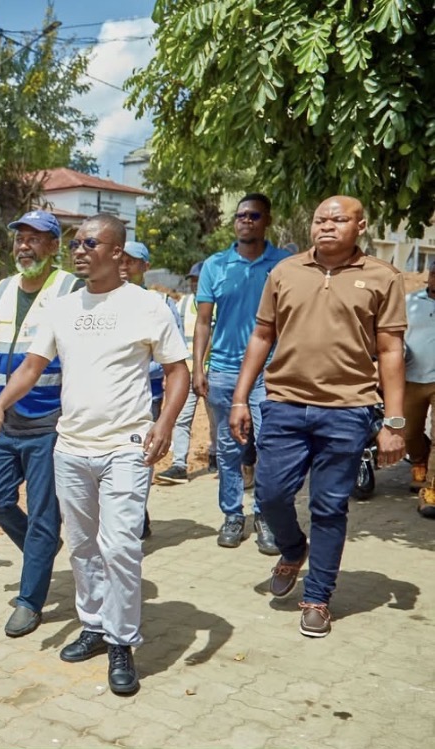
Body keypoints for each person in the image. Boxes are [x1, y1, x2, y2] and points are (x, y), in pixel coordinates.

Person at [0, 213, 189, 696]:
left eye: (90, 243)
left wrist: (165, 424)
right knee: (81, 547)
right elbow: (32, 366)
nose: (79, 250)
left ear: (117, 253)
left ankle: (121, 641)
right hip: (71, 447)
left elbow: (177, 372)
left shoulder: (148, 307)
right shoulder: (63, 308)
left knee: (119, 546)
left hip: (125, 446)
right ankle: (94, 625)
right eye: (75, 243)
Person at [231, 195, 407, 638]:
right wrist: (239, 398)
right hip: (285, 404)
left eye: (338, 219)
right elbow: (261, 335)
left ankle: (317, 597)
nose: (326, 226)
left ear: (361, 226)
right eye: (319, 219)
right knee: (270, 495)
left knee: (329, 506)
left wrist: (395, 423)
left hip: (347, 410)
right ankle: (293, 549)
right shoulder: (285, 272)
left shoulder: (382, 278)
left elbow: (390, 351)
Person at [0, 209, 78, 636]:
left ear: (54, 246)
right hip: (1, 419)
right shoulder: (3, 291)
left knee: (45, 515)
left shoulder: (71, 288)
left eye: (35, 238)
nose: (24, 245)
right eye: (19, 238)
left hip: (51, 420)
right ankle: (40, 550)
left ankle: (30, 600)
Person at [194, 194, 291, 552]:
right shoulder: (215, 265)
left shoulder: (284, 265)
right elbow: (203, 322)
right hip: (222, 372)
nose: (245, 221)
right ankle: (233, 516)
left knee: (268, 446)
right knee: (229, 448)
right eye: (239, 216)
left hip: (271, 374)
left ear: (266, 220)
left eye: (253, 216)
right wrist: (198, 366)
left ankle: (264, 515)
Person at [119, 241, 185, 540]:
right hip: (112, 397)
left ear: (145, 266)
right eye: (119, 259)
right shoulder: (103, 299)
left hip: (149, 395)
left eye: (131, 262)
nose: (123, 266)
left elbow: (173, 357)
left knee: (139, 456)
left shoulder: (161, 304)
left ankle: (135, 515)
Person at [156, 261, 216, 484]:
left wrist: (202, 368)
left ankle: (216, 455)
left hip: (210, 373)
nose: (195, 285)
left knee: (216, 419)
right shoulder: (182, 306)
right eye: (192, 281)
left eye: (198, 281)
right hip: (186, 373)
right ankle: (179, 464)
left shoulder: (216, 305)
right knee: (182, 419)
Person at [405, 266, 435, 518]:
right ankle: (419, 461)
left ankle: (431, 489)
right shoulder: (409, 302)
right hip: (411, 378)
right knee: (409, 431)